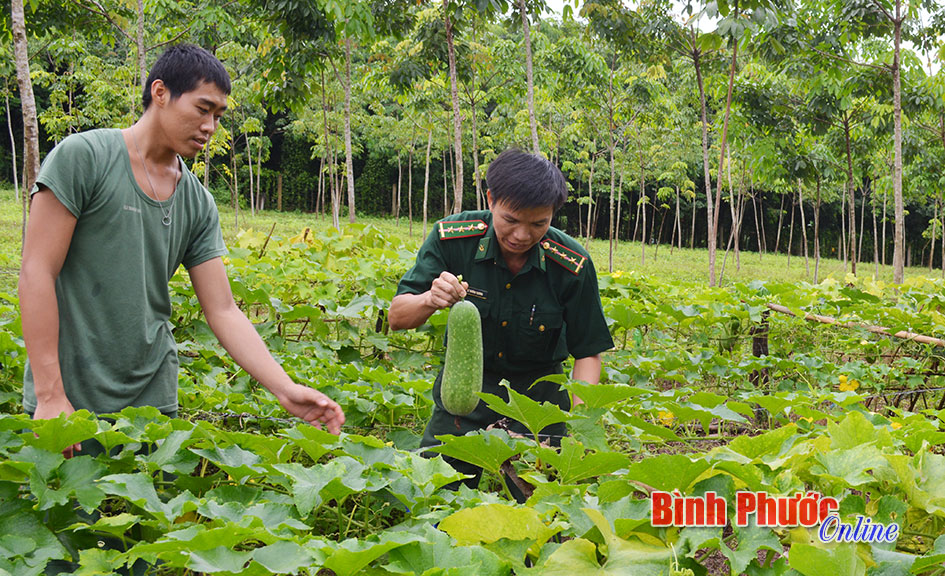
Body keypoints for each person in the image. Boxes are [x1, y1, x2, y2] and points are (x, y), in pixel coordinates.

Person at [19, 44, 345, 459]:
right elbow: (36, 273)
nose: (210, 126)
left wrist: (285, 388)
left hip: (153, 404)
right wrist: (49, 395)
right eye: (202, 108)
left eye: (218, 116)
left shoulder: (198, 201)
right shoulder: (83, 159)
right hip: (70, 398)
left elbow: (223, 310)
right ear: (160, 92)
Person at [388, 148, 614, 497]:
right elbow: (398, 316)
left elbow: (588, 352)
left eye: (538, 224)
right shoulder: (453, 238)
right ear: (491, 199)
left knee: (542, 512)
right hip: (466, 397)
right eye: (511, 220)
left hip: (540, 404)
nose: (523, 235)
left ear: (552, 214)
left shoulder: (571, 263)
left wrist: (578, 427)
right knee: (434, 498)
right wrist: (429, 299)